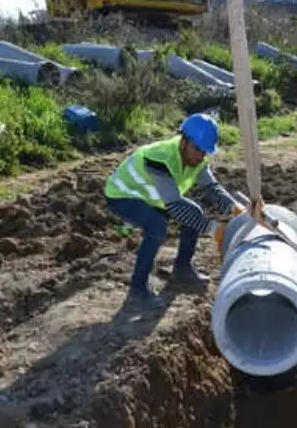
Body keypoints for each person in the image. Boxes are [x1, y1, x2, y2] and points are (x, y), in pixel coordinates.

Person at [103, 113, 240, 308]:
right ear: (184, 141)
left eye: (205, 152)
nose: (200, 155)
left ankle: (182, 269)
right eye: (197, 149)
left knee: (193, 211)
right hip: (122, 195)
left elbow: (213, 189)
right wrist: (214, 230)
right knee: (157, 226)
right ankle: (138, 289)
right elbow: (174, 206)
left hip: (152, 198)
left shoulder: (197, 160)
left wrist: (238, 211)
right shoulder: (161, 157)